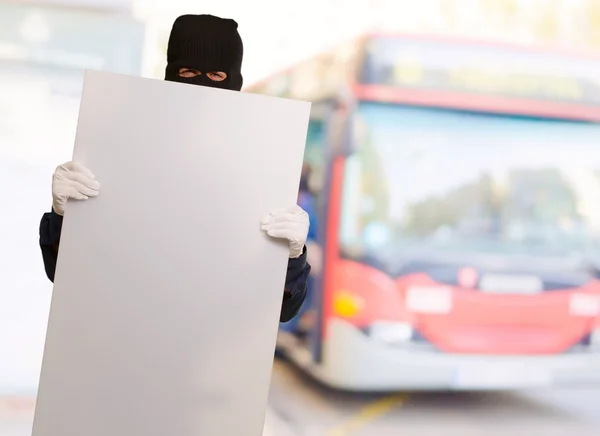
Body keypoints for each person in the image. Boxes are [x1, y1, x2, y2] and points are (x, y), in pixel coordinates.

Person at [38, 14, 311, 323]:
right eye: (189, 71)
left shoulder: (255, 175)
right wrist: (63, 219)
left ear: (233, 81)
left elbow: (280, 311)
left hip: (204, 358)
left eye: (217, 77)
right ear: (171, 75)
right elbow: (65, 275)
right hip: (119, 342)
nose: (201, 86)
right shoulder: (120, 152)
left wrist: (290, 259)